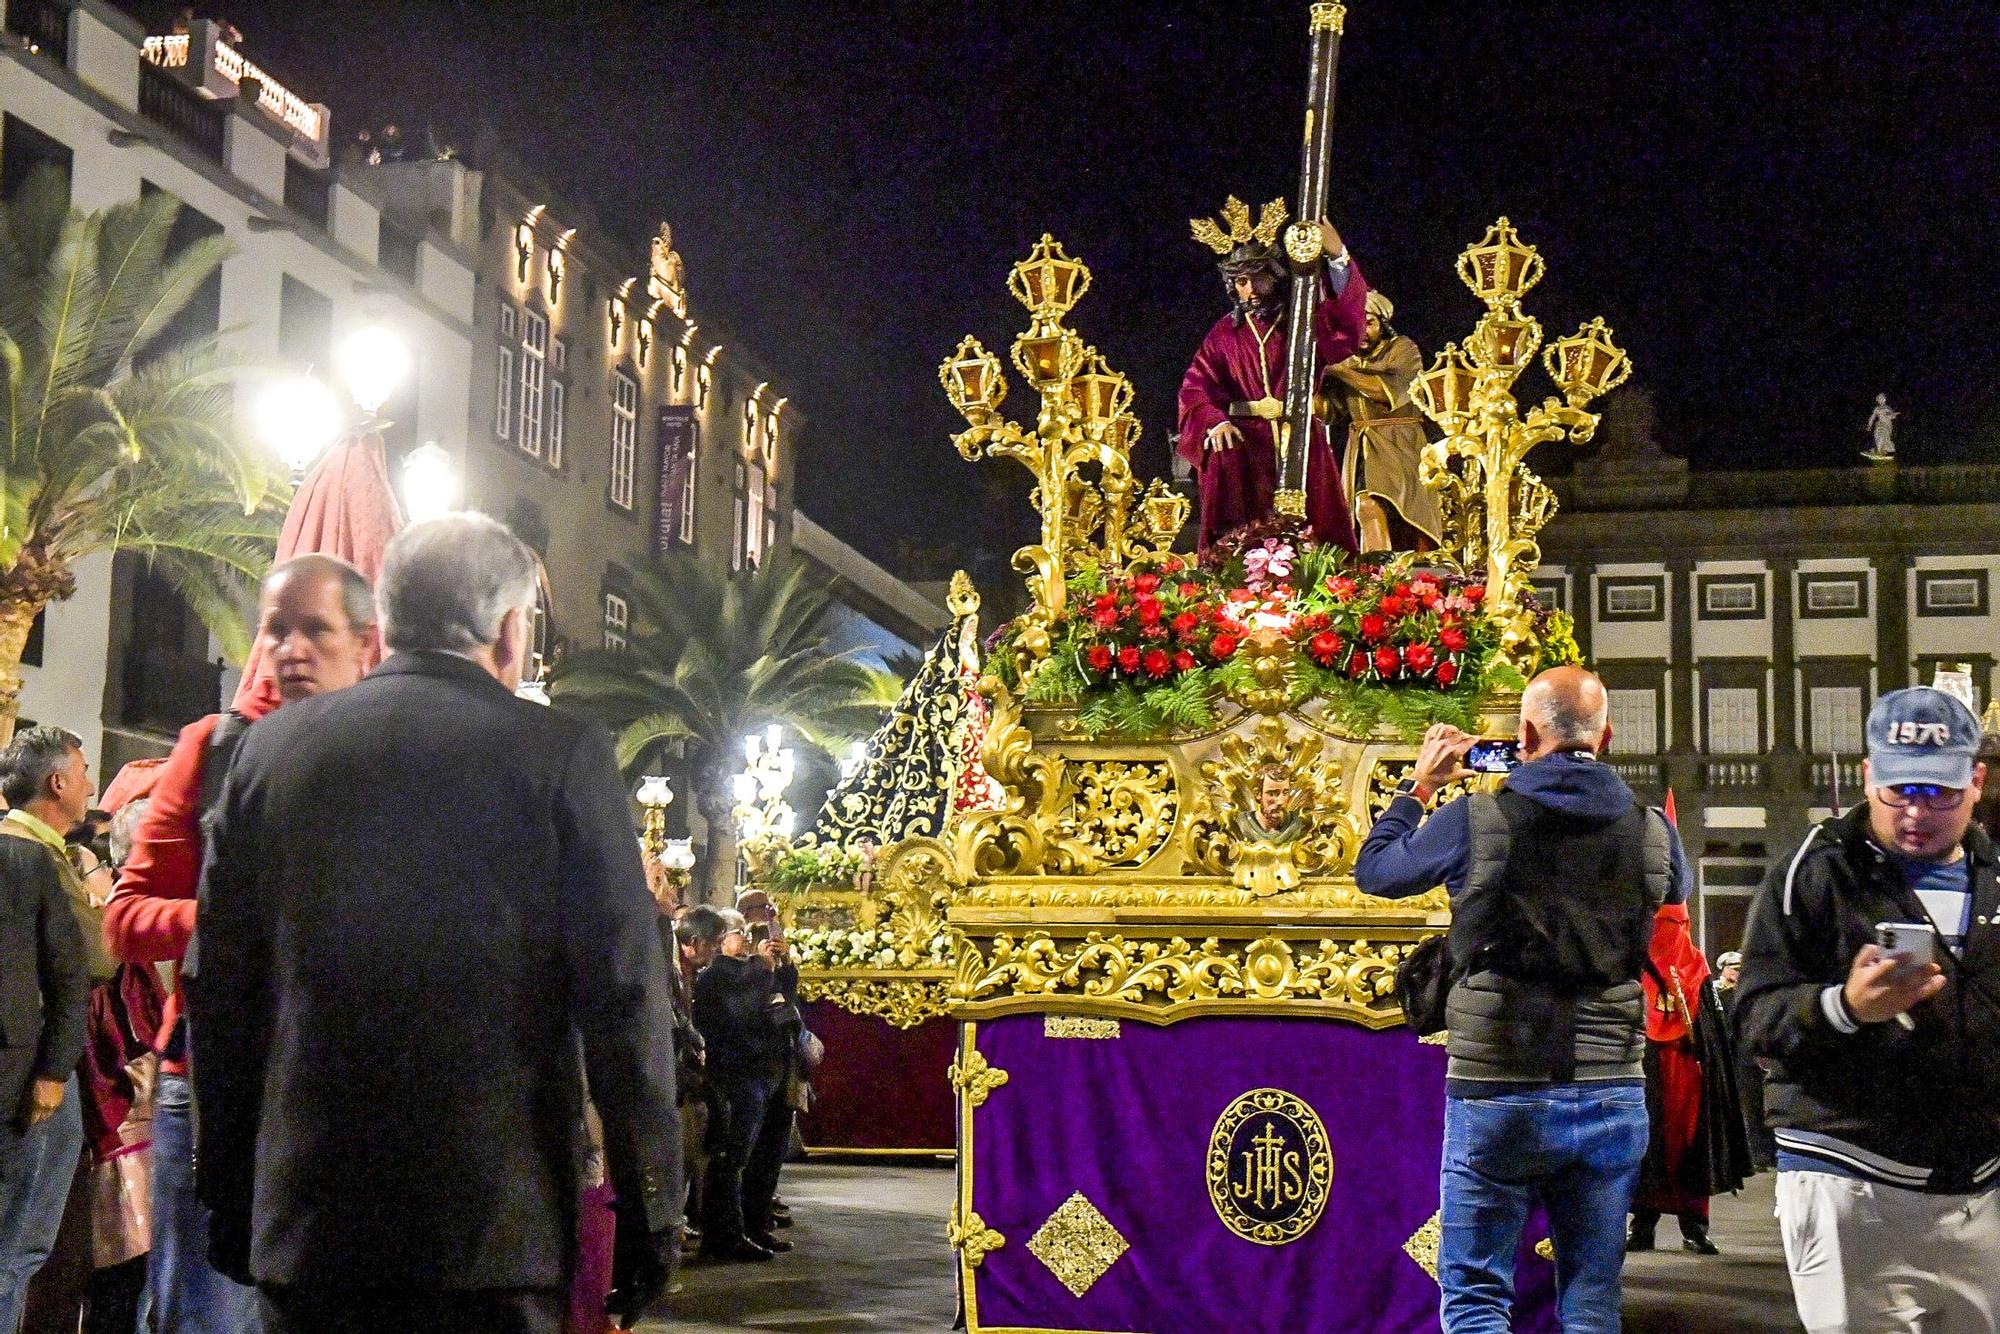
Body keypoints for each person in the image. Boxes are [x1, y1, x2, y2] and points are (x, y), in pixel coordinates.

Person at [187, 513, 681, 1334]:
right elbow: (624, 997)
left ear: (389, 618)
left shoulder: (268, 755)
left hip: (309, 1226)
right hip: (492, 1231)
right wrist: (652, 1205)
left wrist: (233, 1191)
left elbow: (222, 992)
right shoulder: (560, 755)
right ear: (511, 628)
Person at [1354, 665, 1690, 1334]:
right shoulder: (1654, 830)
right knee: (1592, 1298)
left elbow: (1378, 871)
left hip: (1497, 1086)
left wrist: (1420, 786)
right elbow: (1670, 894)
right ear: (1608, 737)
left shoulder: (1475, 819)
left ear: (1524, 733)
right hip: (1610, 1085)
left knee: (1478, 1295)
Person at [105, 553, 380, 1334]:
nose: (290, 648)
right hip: (216, 1080)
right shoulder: (213, 746)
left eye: (314, 630)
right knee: (206, 1310)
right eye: (275, 630)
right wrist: (228, 915)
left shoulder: (388, 760)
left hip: (346, 1082)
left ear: (364, 642)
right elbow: (127, 916)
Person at [1735, 687, 2000, 1333]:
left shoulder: (1994, 871)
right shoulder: (1813, 870)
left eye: (1939, 792)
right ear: (1867, 776)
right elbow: (1752, 1018)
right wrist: (1844, 1007)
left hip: (1980, 1182)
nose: (1916, 811)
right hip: (1847, 1176)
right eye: (1897, 789)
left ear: (1977, 780)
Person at [1177, 206, 1371, 552]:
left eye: (1258, 277)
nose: (1250, 289)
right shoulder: (1224, 333)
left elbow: (1346, 334)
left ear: (1275, 276)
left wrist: (1338, 257)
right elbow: (1196, 387)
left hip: (1298, 437)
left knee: (1317, 537)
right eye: (1241, 281)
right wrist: (1214, 422)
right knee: (1237, 535)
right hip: (1243, 448)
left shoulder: (1302, 322)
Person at [0, 777, 88, 1334]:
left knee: (15, 1246)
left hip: (18, 1080)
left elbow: (71, 975)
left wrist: (53, 1071)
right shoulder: (31, 856)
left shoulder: (25, 860)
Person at [1627, 903, 1752, 1255]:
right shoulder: (1636, 967)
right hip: (1647, 1073)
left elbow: (1713, 1033)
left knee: (1691, 1147)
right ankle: (1642, 1224)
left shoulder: (1697, 968)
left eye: (1677, 924)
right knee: (1646, 1147)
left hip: (1689, 1077)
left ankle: (1694, 1227)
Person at [693, 908, 799, 1263]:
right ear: (720, 941)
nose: (746, 939)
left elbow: (783, 1001)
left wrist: (783, 967)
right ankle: (724, 1236)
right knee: (733, 1159)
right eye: (736, 932)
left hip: (767, 1071)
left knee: (761, 1156)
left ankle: (751, 1225)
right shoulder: (714, 976)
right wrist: (762, 970)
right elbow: (739, 1013)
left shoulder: (751, 970)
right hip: (736, 1074)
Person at [1325, 289, 1444, 553]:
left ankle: (1405, 576)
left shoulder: (1402, 349)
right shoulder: (1350, 360)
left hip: (1401, 444)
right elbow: (1330, 410)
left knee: (1408, 519)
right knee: (1365, 506)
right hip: (1362, 447)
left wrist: (1338, 369)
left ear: (1383, 324)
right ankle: (1375, 575)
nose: (1363, 331)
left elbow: (1386, 391)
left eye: (1369, 322)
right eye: (1356, 324)